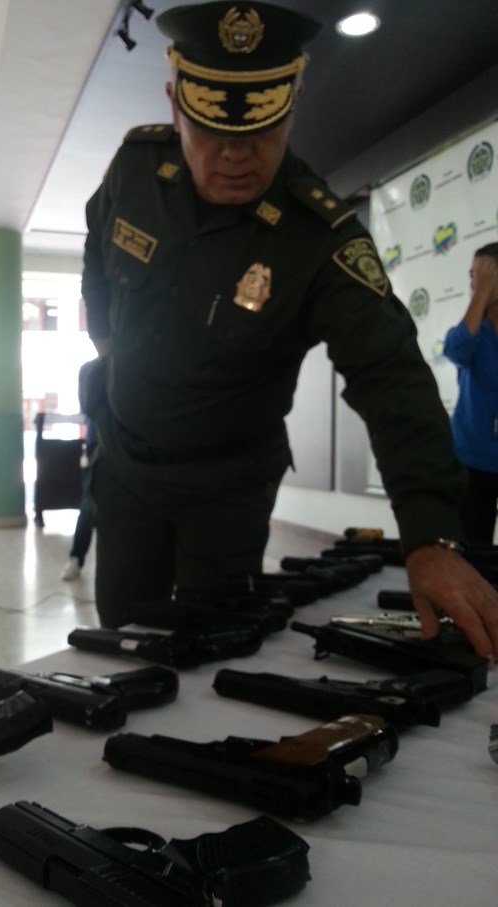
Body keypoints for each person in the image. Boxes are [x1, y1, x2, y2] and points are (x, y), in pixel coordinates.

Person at [80, 0, 498, 660]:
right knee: (120, 640)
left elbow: (391, 376)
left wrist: (431, 536)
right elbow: (95, 245)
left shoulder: (319, 240)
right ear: (175, 107)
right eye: (211, 129)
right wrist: (106, 339)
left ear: (293, 105)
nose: (236, 154)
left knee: (209, 652)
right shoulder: (136, 168)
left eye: (261, 130)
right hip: (126, 468)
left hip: (227, 490)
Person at [443, 242, 498, 544]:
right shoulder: (474, 332)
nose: (474, 283)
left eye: (484, 276)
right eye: (474, 276)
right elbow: (455, 349)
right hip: (471, 461)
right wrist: (482, 295)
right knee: (472, 550)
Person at [61, 360, 99, 581]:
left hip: (127, 449)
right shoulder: (90, 370)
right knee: (88, 505)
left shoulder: (129, 365)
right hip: (97, 447)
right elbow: (88, 407)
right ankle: (76, 558)